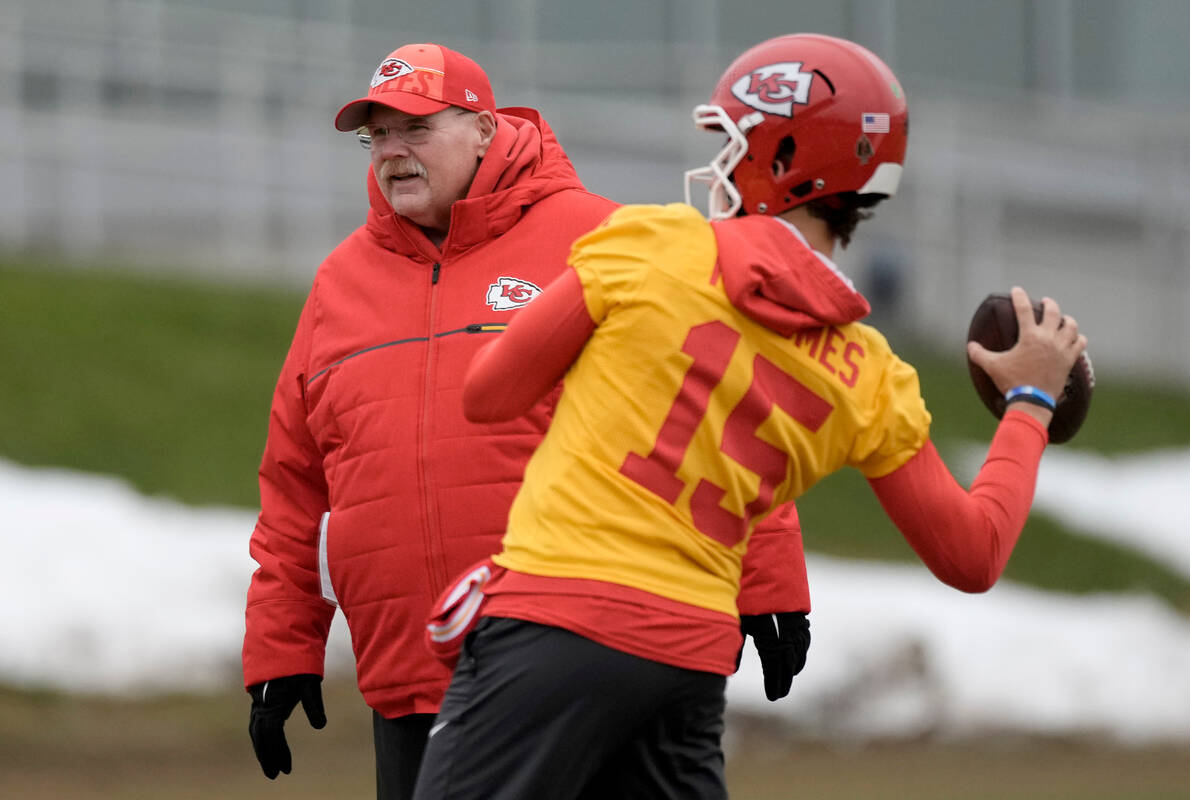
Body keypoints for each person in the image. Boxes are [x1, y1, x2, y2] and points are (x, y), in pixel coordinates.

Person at [413, 33, 1088, 800]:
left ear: (783, 153)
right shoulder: (869, 373)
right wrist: (1030, 401)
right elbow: (973, 554)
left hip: (557, 621)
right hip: (690, 658)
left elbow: (488, 392)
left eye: (733, 143)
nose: (721, 166)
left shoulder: (653, 244)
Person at [241, 42, 814, 800]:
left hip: (582, 659)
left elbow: (719, 404)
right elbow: (294, 482)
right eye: (376, 135)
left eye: (416, 128)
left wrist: (767, 579)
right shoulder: (339, 283)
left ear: (484, 127)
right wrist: (284, 643)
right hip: (409, 676)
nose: (392, 151)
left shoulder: (601, 240)